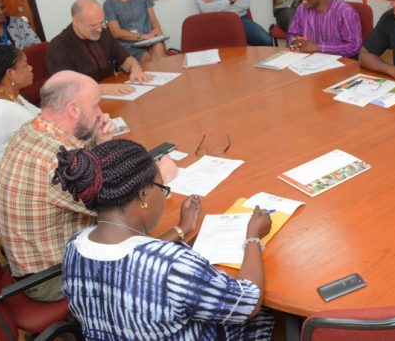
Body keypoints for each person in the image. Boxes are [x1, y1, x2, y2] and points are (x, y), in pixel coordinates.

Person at [0, 70, 193, 302]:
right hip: (50, 276)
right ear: (73, 109)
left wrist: (100, 143)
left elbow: (87, 171)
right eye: (96, 106)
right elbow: (117, 203)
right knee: (160, 270)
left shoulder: (34, 129)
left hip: (34, 253)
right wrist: (160, 178)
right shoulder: (55, 164)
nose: (101, 113)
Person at [59, 139, 274, 340]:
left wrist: (181, 229)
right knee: (265, 314)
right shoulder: (173, 266)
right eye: (162, 188)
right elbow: (249, 302)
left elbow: (129, 263)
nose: (164, 196)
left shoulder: (74, 246)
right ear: (143, 195)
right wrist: (253, 237)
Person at [47, 0, 154, 96]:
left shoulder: (103, 32)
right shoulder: (58, 48)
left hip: (114, 89)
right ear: (76, 21)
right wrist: (104, 89)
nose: (99, 29)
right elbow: (66, 89)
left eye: (102, 23)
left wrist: (134, 68)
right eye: (93, 25)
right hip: (84, 100)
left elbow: (123, 58)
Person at [0, 45, 38, 212]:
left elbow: (42, 118)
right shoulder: (5, 110)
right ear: (10, 73)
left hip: (15, 177)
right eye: (26, 64)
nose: (31, 68)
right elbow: (48, 134)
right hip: (1, 191)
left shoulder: (9, 96)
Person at [287, 0, 362, 58]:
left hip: (339, 65)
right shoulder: (302, 9)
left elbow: (354, 46)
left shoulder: (344, 12)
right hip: (307, 63)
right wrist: (296, 42)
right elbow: (292, 34)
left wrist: (318, 47)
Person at [100, 0, 167, 62]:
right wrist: (142, 36)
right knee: (151, 60)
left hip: (150, 40)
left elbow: (154, 20)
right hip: (129, 45)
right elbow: (116, 33)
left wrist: (156, 30)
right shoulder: (108, 4)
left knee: (159, 48)